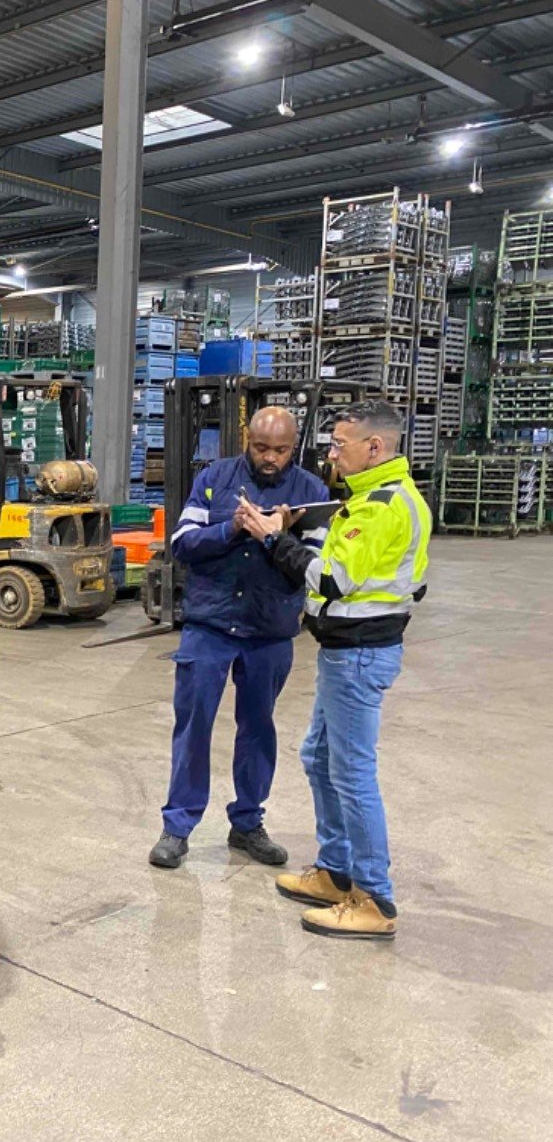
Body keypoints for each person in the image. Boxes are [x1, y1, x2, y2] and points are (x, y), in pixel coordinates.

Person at [236, 400, 428, 941]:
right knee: (318, 758)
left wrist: (273, 538)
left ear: (375, 447)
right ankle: (335, 871)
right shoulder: (374, 498)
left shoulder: (381, 507)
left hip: (359, 654)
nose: (332, 454)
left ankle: (373, 898)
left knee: (352, 773)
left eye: (340, 444)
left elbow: (331, 580)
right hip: (346, 650)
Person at [148, 406, 331, 871]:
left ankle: (248, 822)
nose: (270, 458)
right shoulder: (215, 478)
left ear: (294, 446)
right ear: (247, 439)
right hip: (209, 626)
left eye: (281, 450)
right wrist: (231, 527)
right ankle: (177, 827)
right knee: (193, 727)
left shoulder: (311, 493)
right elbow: (183, 543)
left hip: (269, 630)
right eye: (261, 447)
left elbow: (314, 567)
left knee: (258, 728)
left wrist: (277, 536)